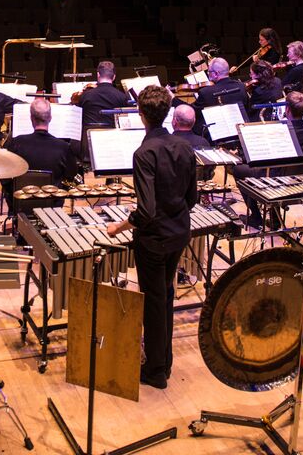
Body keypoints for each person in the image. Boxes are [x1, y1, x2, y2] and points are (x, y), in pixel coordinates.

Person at [106, 85, 197, 389]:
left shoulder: (144, 153)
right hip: (179, 234)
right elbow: (192, 197)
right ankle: (164, 358)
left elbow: (145, 211)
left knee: (154, 301)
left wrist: (120, 225)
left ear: (141, 115)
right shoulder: (184, 147)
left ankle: (156, 370)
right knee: (166, 295)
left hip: (154, 240)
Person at [235, 91, 303, 229]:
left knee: (238, 169)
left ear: (287, 109)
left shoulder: (280, 129)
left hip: (278, 179)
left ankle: (256, 217)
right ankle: (274, 218)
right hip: (302, 178)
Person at [24, 0, 109, 90]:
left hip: (66, 36)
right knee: (49, 66)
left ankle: (59, 89)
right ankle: (47, 90)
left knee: (62, 66)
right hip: (52, 35)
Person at [1, 98, 79, 213]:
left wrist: (11, 195)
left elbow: (4, 175)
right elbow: (71, 175)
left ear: (31, 118)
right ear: (50, 118)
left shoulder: (15, 143)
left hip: (20, 205)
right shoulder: (63, 147)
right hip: (52, 207)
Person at [191, 57, 246, 136]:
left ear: (216, 74)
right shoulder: (241, 86)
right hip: (239, 132)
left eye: (209, 71)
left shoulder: (206, 92)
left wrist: (174, 99)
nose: (207, 73)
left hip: (215, 135)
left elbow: (192, 111)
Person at [73, 60, 128, 126]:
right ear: (114, 77)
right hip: (113, 135)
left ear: (98, 74)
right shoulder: (122, 97)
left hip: (88, 134)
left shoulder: (85, 96)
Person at [171, 104, 214, 179]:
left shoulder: (165, 143)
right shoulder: (204, 143)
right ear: (194, 121)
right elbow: (209, 170)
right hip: (198, 187)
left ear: (174, 121)